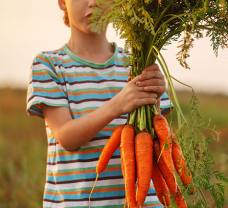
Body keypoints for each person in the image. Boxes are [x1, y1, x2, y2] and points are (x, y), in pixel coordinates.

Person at [26, 0, 172, 207]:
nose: (92, 2)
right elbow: (67, 137)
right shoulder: (49, 65)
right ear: (61, 2)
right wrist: (117, 105)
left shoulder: (139, 62)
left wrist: (154, 99)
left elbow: (160, 141)